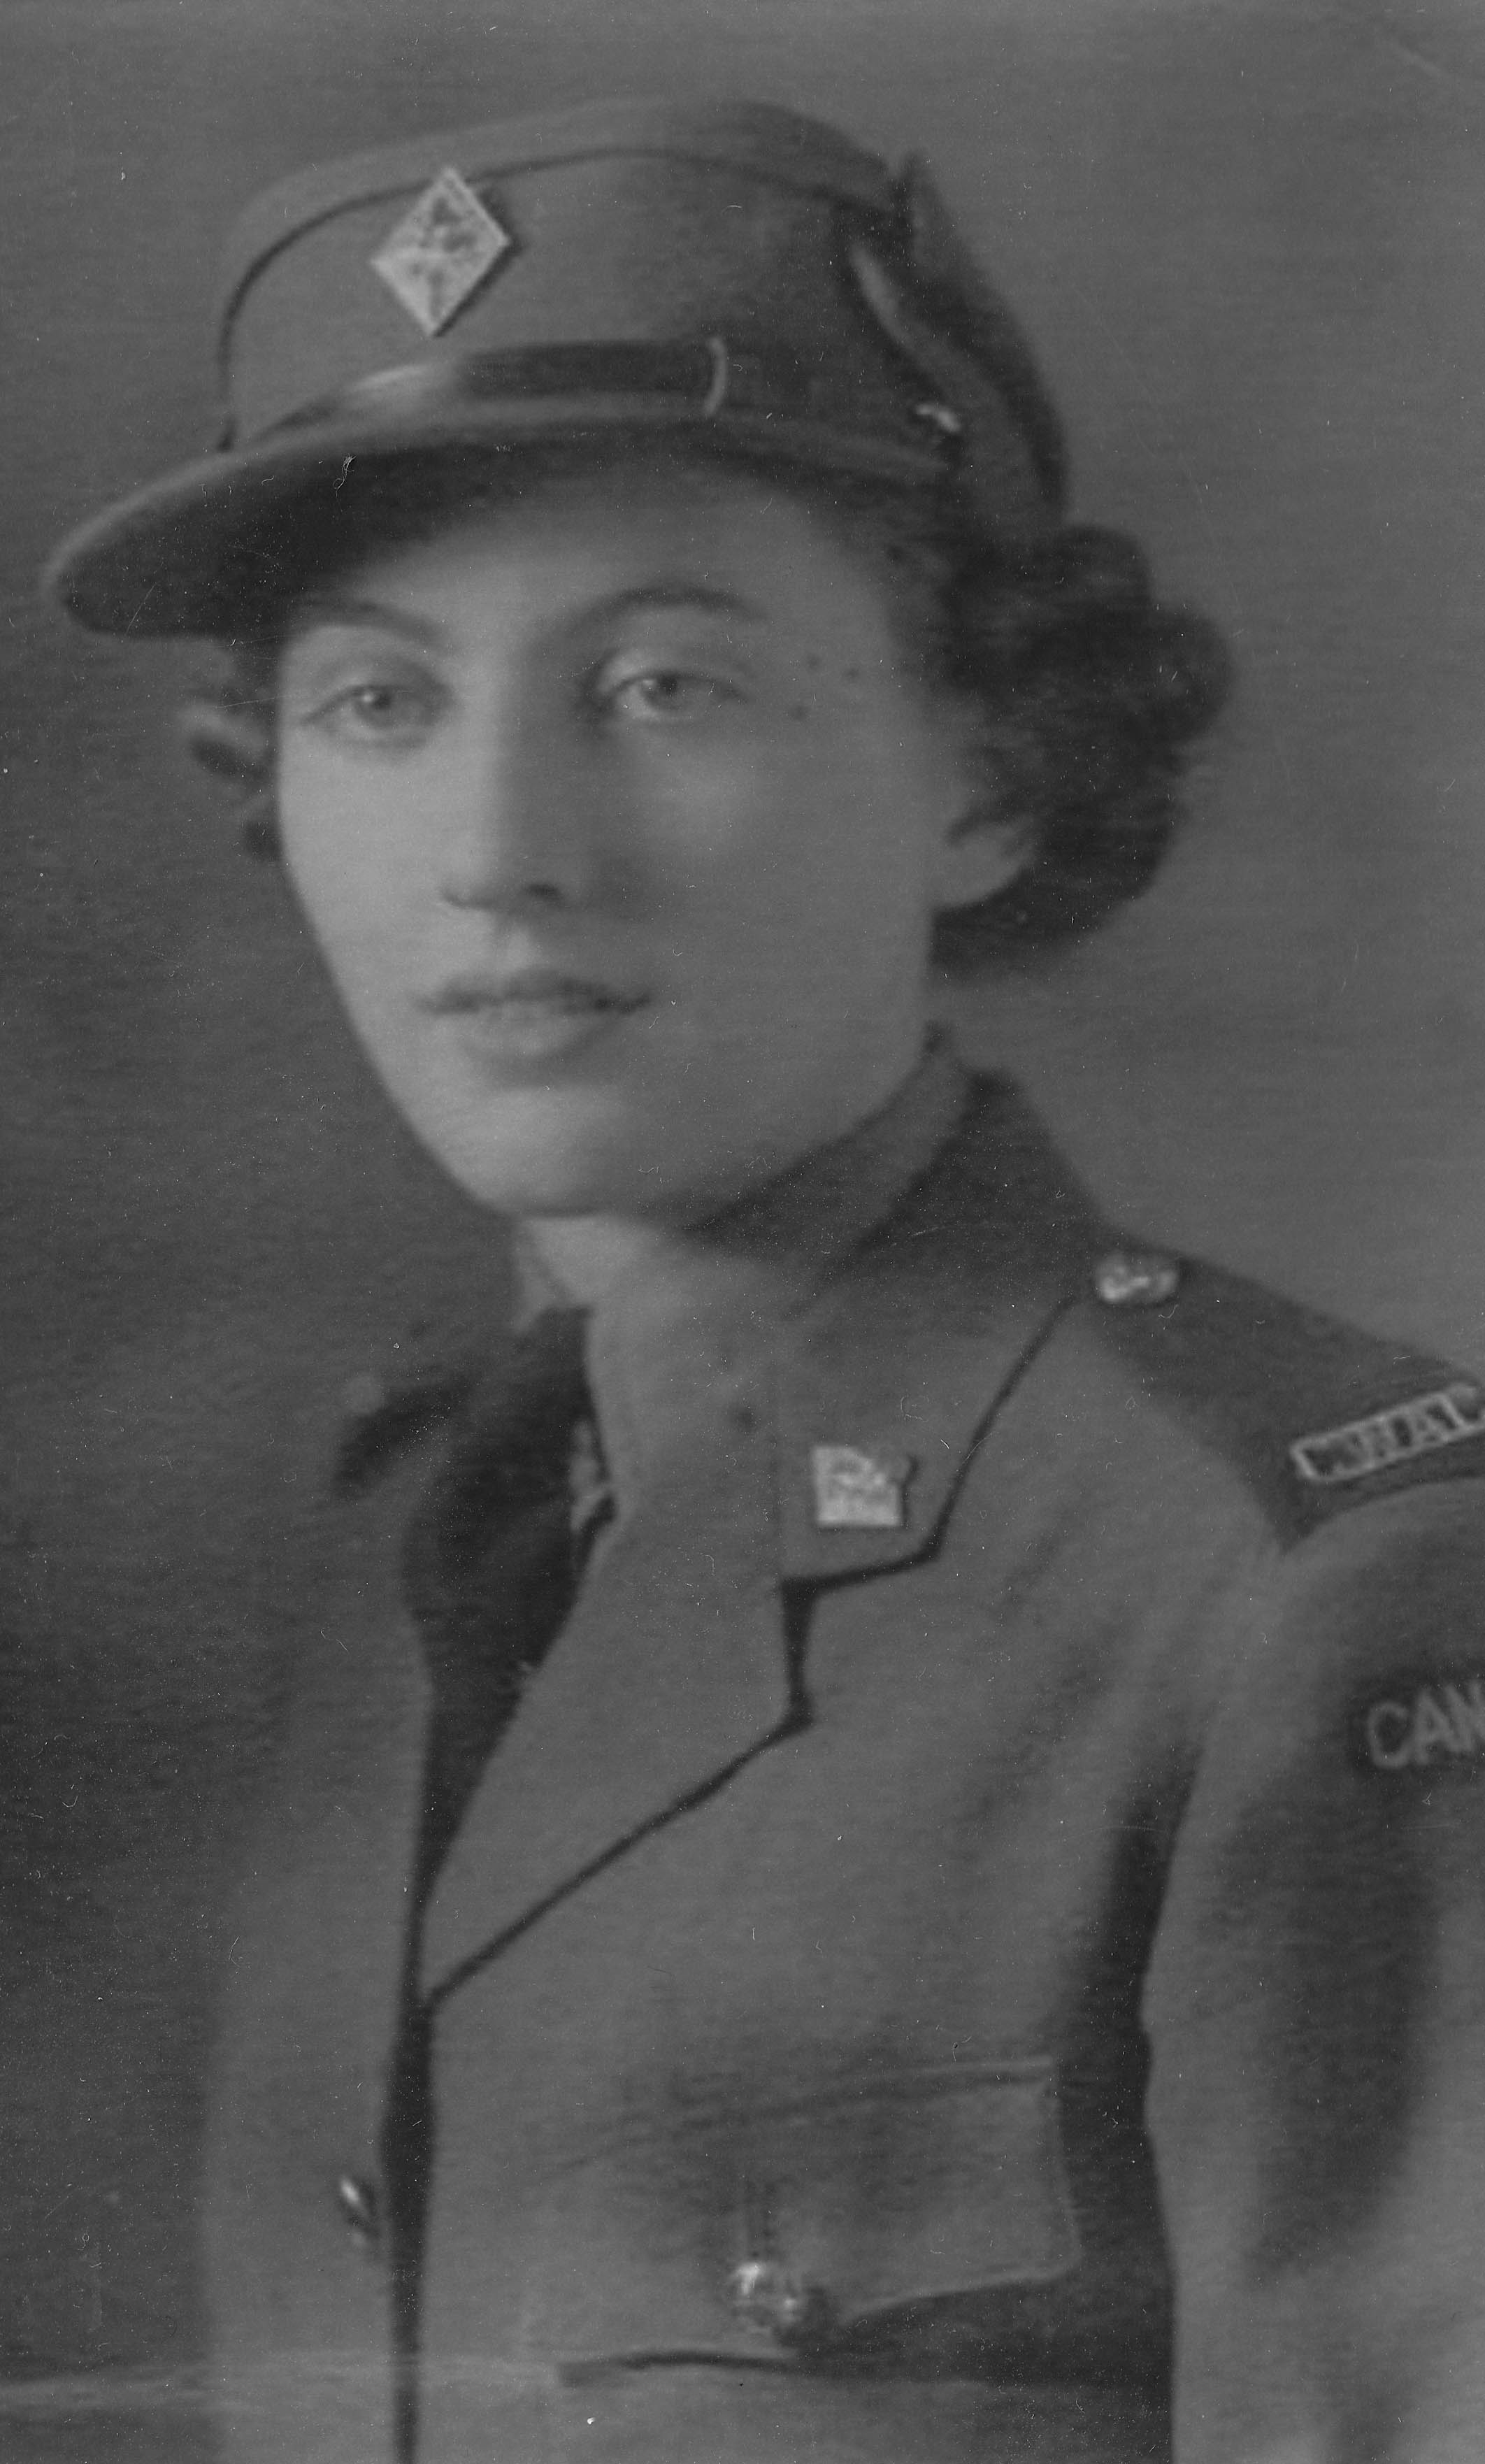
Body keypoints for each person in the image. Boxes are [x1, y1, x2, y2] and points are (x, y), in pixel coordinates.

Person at [45, 92, 1485, 2464]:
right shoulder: (411, 1556)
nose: (499, 852)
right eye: (380, 701)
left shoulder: (1315, 1582)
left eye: (664, 685)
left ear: (983, 774)